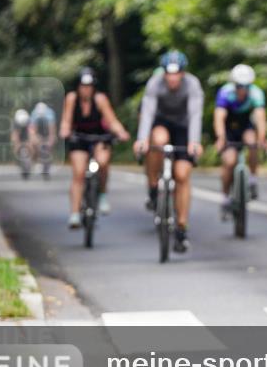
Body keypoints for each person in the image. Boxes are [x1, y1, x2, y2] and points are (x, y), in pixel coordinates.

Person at [133, 51, 203, 253]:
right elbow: (147, 112)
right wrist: (142, 139)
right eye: (168, 73)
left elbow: (195, 114)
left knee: (182, 174)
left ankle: (181, 227)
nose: (172, 78)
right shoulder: (155, 84)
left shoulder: (192, 85)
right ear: (164, 73)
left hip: (183, 126)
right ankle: (154, 185)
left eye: (177, 73)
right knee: (158, 141)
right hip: (161, 123)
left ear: (183, 73)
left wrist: (194, 142)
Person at [59, 67, 130, 228]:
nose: (86, 89)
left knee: (103, 162)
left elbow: (111, 120)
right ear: (78, 86)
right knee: (78, 173)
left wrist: (121, 132)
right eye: (83, 86)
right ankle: (75, 213)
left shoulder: (100, 99)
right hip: (79, 138)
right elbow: (66, 120)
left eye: (89, 86)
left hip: (99, 137)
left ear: (94, 87)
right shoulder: (72, 98)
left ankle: (102, 194)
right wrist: (64, 130)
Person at [214, 64, 267, 215]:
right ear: (234, 84)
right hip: (228, 129)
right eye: (239, 86)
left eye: (246, 86)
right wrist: (220, 137)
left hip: (245, 126)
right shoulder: (225, 92)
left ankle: (252, 179)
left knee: (252, 143)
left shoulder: (256, 93)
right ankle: (225, 195)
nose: (243, 90)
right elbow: (219, 117)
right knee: (229, 161)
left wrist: (262, 137)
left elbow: (260, 117)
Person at [29, 101, 57, 178]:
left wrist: (51, 138)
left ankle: (47, 165)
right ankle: (34, 160)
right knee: (33, 145)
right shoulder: (34, 113)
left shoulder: (50, 113)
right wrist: (34, 137)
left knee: (50, 146)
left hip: (47, 132)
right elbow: (32, 128)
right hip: (38, 132)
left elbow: (52, 128)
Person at [11, 108, 31, 177]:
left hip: (26, 135)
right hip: (18, 135)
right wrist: (17, 145)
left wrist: (29, 143)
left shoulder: (29, 122)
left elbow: (31, 133)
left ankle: (31, 161)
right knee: (15, 147)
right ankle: (17, 160)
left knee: (31, 146)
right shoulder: (15, 123)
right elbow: (15, 135)